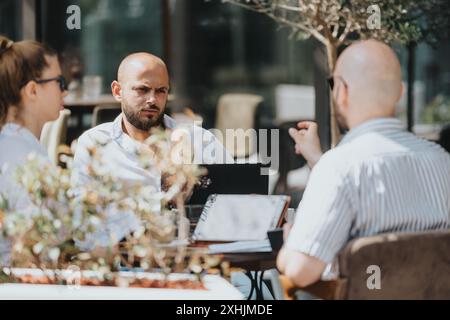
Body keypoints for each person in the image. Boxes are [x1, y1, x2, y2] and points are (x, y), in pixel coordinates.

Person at [277, 40, 450, 288]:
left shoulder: (338, 168)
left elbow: (299, 271)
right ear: (400, 93)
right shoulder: (442, 161)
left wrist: (291, 244)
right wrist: (319, 160)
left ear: (341, 92)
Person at [72, 52, 233, 190]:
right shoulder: (95, 144)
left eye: (161, 91)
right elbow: (81, 211)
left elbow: (237, 193)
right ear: (117, 91)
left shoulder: (201, 141)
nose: (152, 99)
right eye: (143, 89)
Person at [0, 35, 68, 263]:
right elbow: (28, 250)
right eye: (60, 81)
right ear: (32, 90)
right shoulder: (23, 156)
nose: (65, 90)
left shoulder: (15, 144)